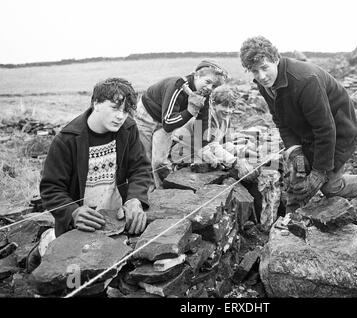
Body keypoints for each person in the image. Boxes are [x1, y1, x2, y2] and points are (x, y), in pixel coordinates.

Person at [239, 36, 357, 216]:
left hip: (340, 131)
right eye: (254, 71)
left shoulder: (305, 80)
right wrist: (295, 150)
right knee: (298, 171)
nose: (261, 76)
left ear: (275, 59)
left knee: (330, 186)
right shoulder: (265, 83)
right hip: (309, 131)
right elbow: (280, 120)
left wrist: (319, 171)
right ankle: (290, 222)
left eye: (264, 68)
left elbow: (326, 129)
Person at [40, 78, 151, 238]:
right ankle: (47, 242)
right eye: (114, 108)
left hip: (117, 218)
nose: (120, 116)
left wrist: (135, 199)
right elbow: (51, 188)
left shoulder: (128, 128)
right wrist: (72, 212)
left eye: (125, 111)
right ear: (96, 103)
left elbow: (140, 168)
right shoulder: (66, 140)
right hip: (80, 227)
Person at [134, 59, 230, 188]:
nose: (209, 88)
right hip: (146, 116)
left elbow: (203, 120)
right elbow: (168, 123)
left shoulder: (204, 95)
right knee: (143, 159)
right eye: (207, 82)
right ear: (196, 75)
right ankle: (145, 194)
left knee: (159, 161)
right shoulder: (177, 86)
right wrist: (190, 112)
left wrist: (203, 147)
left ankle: (162, 191)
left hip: (166, 121)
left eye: (214, 86)